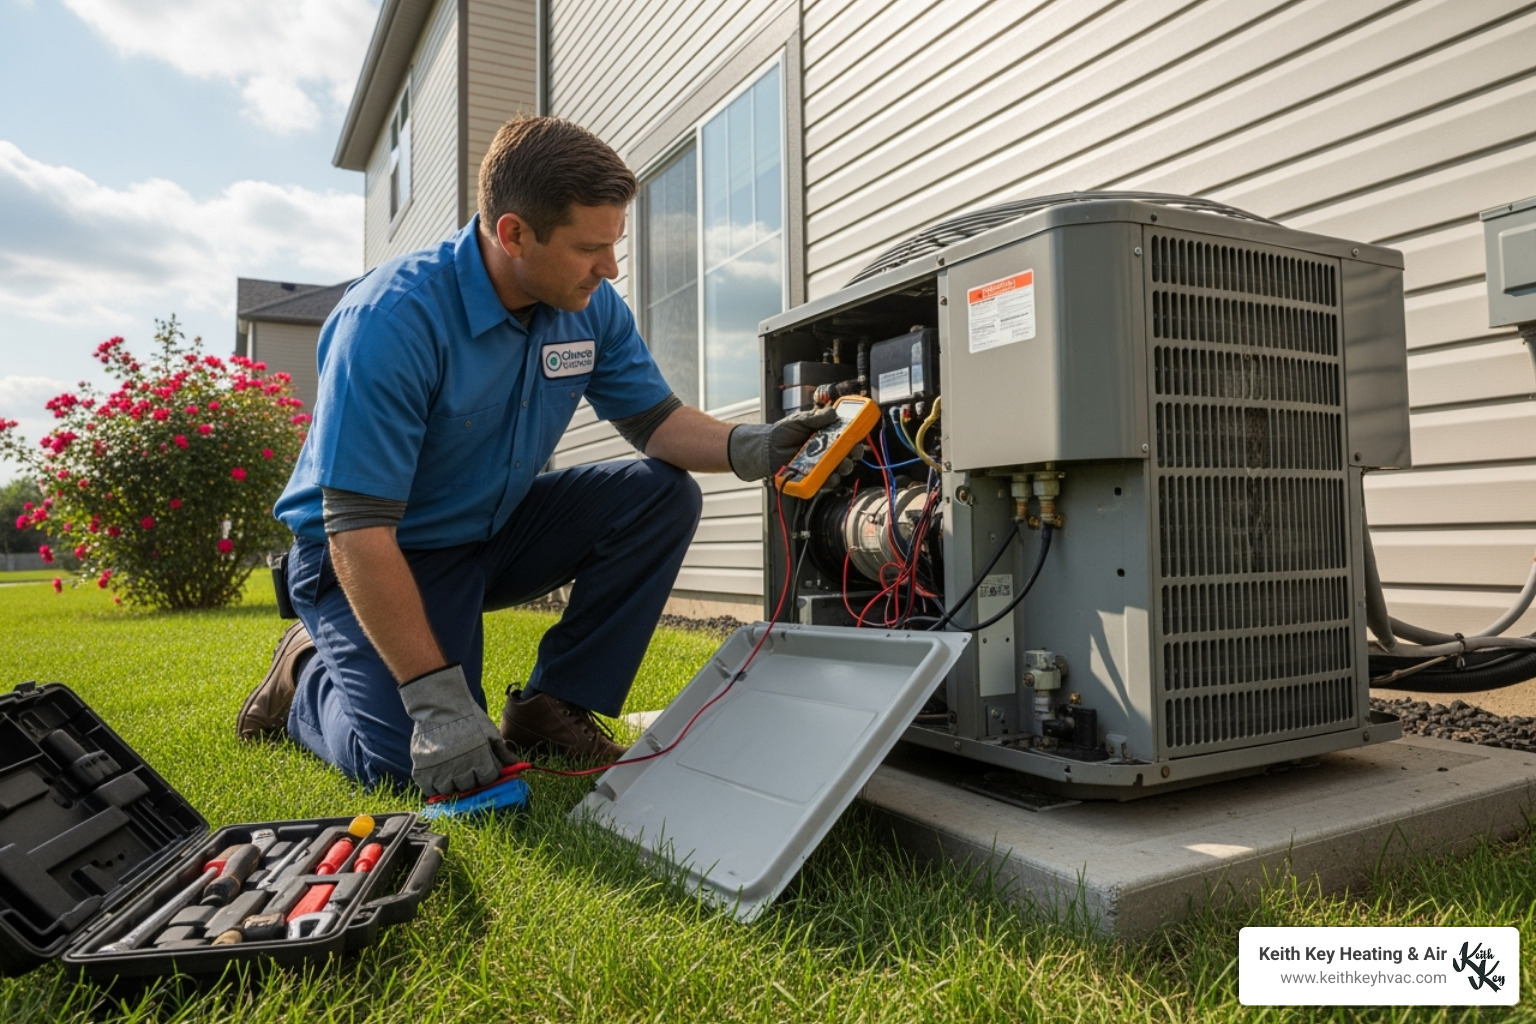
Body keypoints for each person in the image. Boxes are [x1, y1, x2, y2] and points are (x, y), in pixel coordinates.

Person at [237, 116, 834, 797]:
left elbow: (655, 421)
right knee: (408, 765)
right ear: (514, 233)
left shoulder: (588, 308)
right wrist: (435, 701)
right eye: (590, 249)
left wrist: (745, 445)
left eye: (613, 245)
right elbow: (359, 529)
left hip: (489, 532)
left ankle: (549, 708)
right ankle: (308, 674)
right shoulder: (391, 319)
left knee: (660, 494)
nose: (609, 269)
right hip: (371, 555)